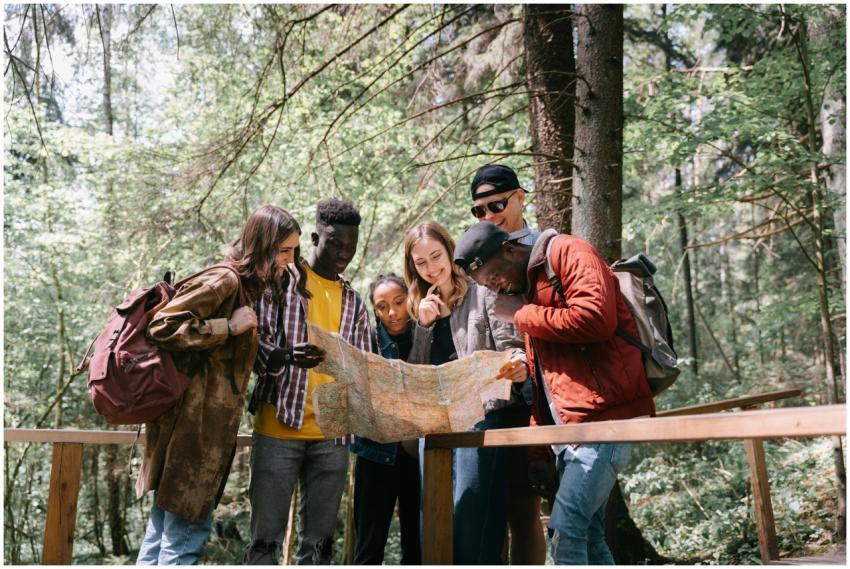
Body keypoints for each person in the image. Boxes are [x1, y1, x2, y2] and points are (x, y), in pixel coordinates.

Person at [453, 221, 655, 565]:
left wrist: (521, 315)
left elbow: (596, 318)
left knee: (564, 532)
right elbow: (545, 380)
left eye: (494, 277)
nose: (496, 287)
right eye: (487, 285)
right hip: (570, 432)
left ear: (509, 250)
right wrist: (538, 452)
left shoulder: (569, 251)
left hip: (605, 422)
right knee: (589, 539)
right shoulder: (529, 289)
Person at [136, 204, 300, 565]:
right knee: (183, 544)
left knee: (161, 539)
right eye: (284, 251)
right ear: (262, 245)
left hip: (202, 436)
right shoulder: (224, 281)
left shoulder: (244, 289)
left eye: (293, 251)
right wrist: (229, 326)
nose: (290, 261)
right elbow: (161, 326)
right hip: (192, 437)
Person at [245, 197, 372, 565]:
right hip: (277, 430)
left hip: (332, 436)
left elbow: (364, 367)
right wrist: (285, 356)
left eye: (350, 246)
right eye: (335, 243)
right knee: (264, 544)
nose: (344, 253)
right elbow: (252, 348)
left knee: (319, 547)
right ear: (315, 238)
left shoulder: (354, 301)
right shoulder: (281, 281)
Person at [403, 220, 528, 565]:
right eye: (421, 262)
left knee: (472, 526)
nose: (431, 268)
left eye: (436, 256)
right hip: (437, 428)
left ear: (449, 251)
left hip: (482, 419)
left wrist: (518, 364)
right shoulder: (419, 307)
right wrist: (424, 328)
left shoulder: (482, 291)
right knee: (435, 530)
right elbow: (415, 377)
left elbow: (512, 347)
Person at [469, 163, 545, 564]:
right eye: (478, 210)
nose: (488, 215)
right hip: (497, 402)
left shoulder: (546, 249)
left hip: (546, 398)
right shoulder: (477, 252)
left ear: (519, 197)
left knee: (531, 510)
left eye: (495, 204)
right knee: (496, 510)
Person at [350, 273, 421, 565]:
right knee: (368, 547)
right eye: (382, 306)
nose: (392, 312)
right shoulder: (365, 341)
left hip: (418, 456)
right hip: (375, 454)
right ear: (374, 310)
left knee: (417, 548)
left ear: (410, 299)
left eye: (398, 302)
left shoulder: (427, 334)